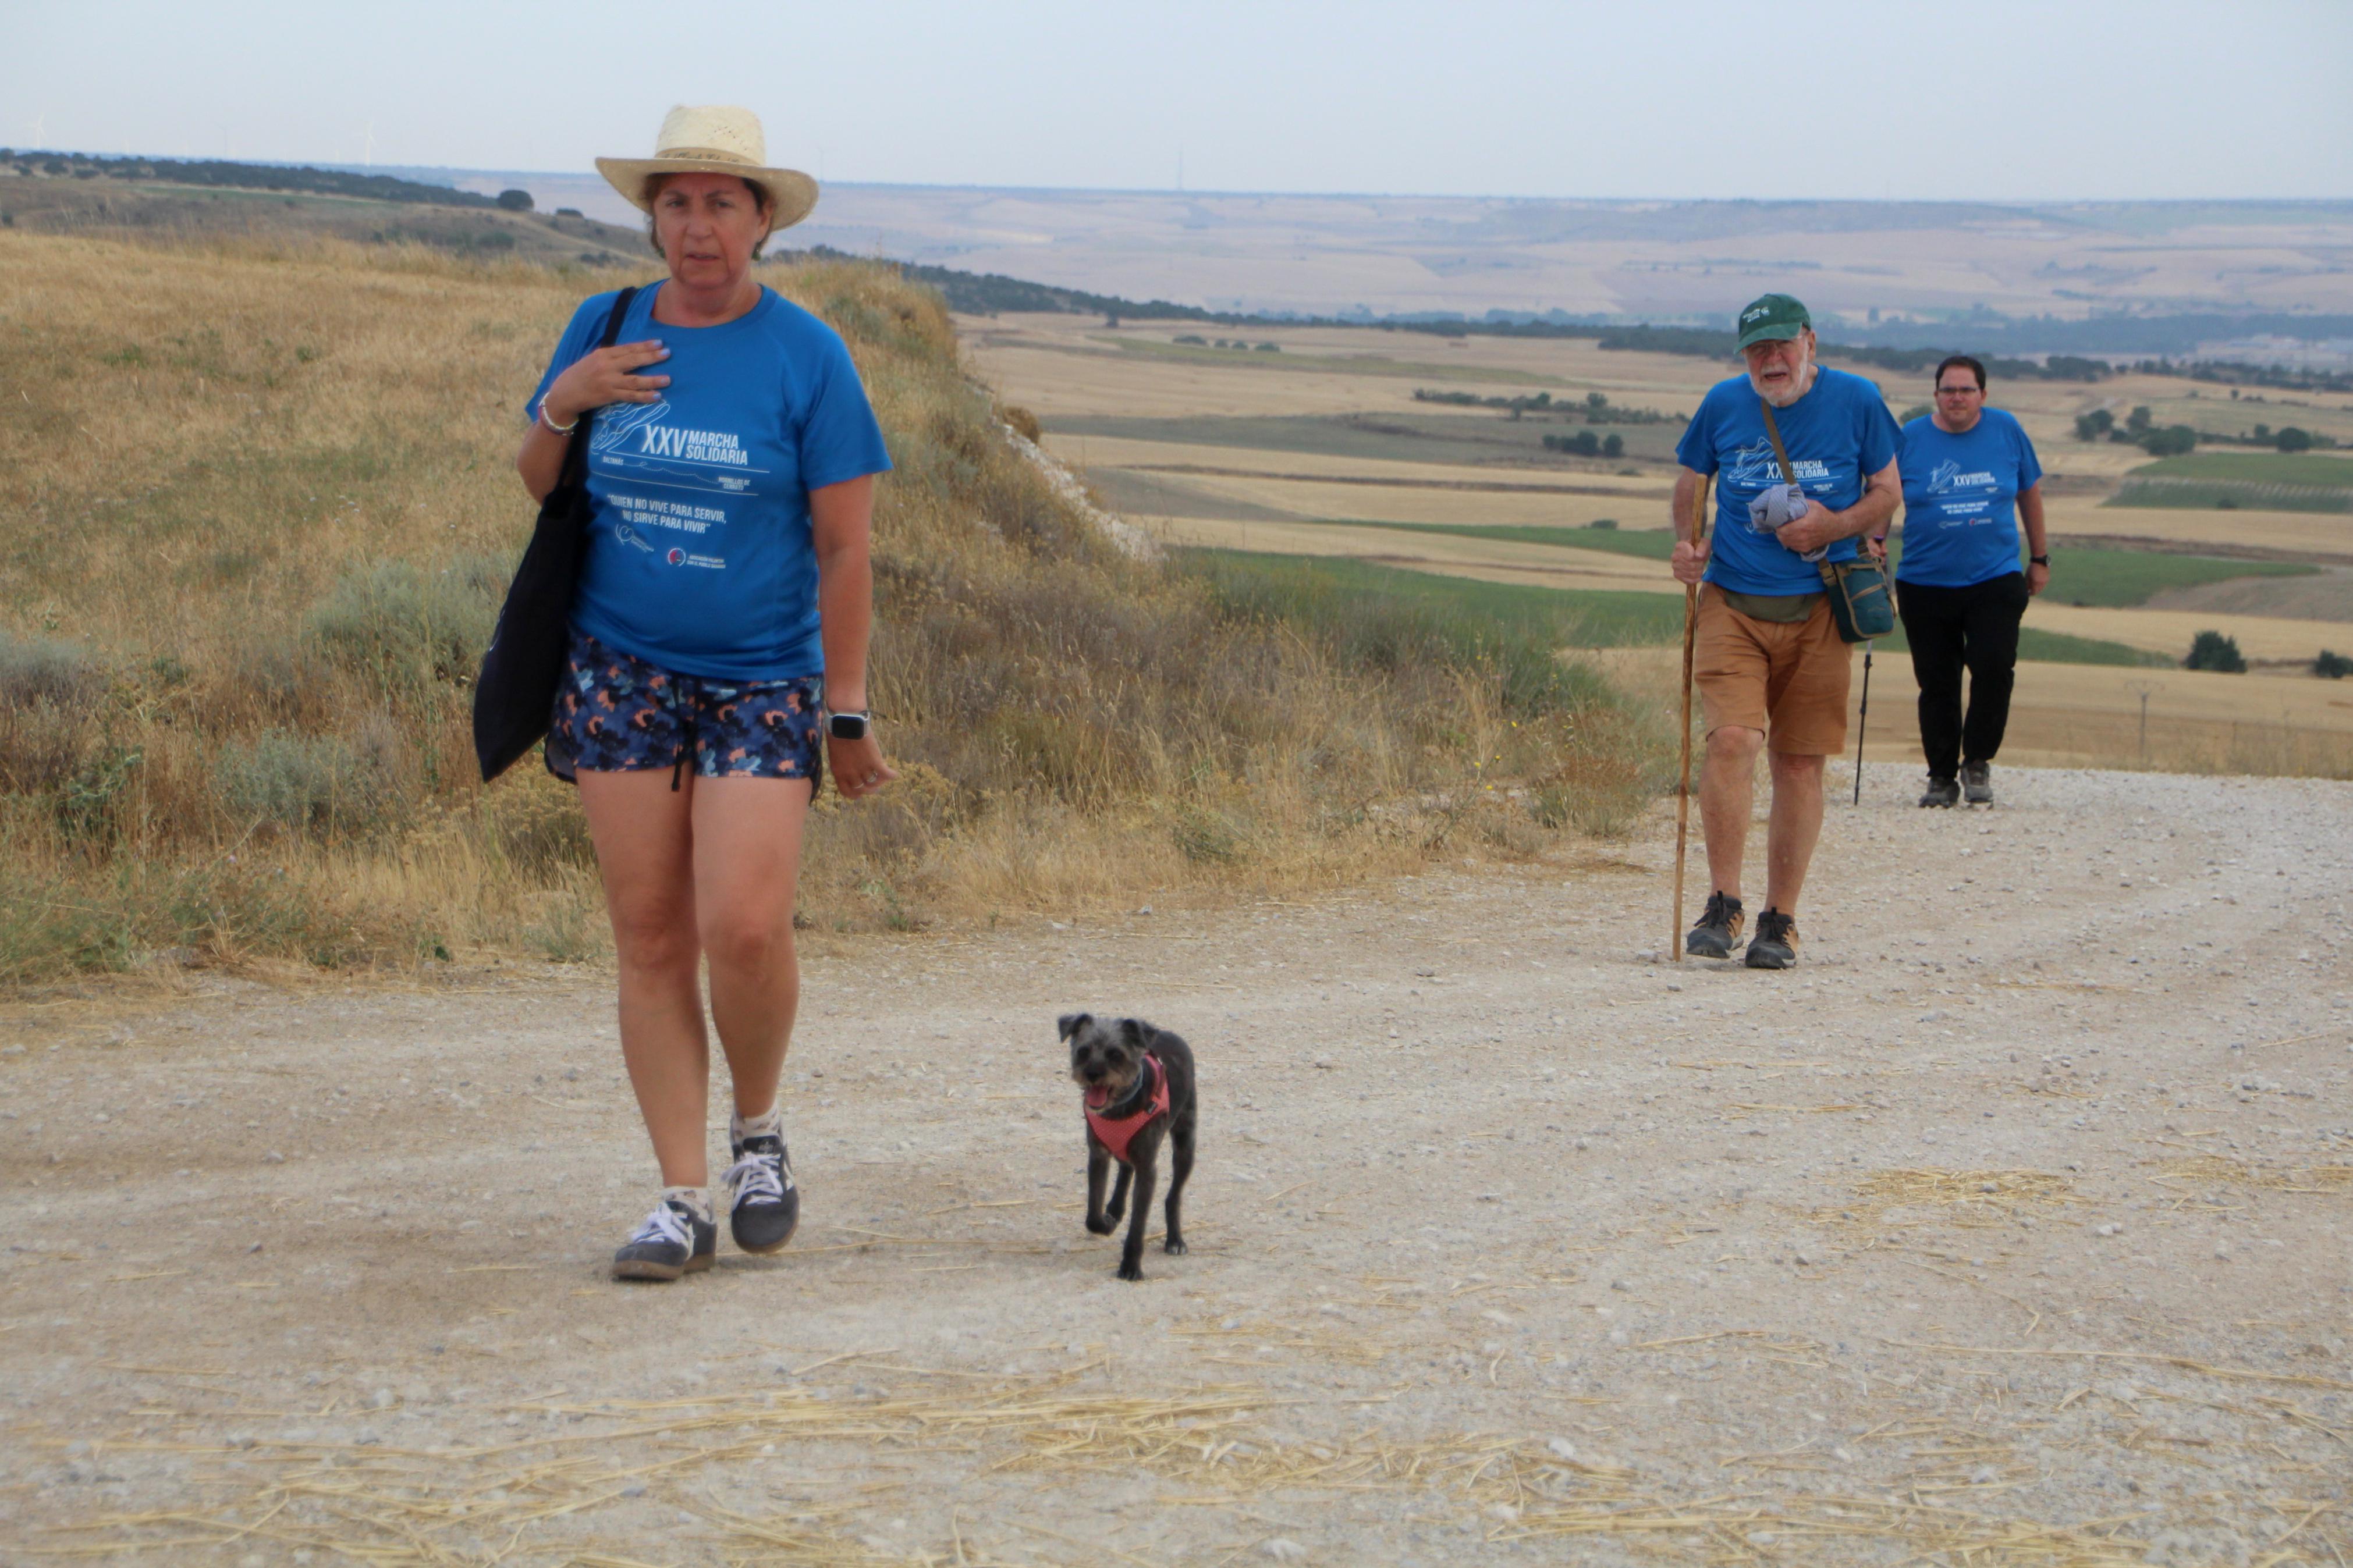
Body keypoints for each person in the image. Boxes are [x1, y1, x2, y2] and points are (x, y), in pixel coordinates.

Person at [516, 105, 897, 1282]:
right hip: (619, 665)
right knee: (648, 936)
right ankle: (680, 1197)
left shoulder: (806, 354)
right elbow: (541, 482)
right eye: (674, 202)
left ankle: (759, 1132)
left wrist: (846, 709)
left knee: (740, 926)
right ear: (651, 217)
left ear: (761, 220)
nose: (695, 227)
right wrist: (564, 398)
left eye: (720, 204)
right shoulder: (606, 324)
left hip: (759, 681)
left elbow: (844, 548)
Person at [1670, 294, 1901, 969]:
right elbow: (1691, 479)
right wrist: (1687, 545)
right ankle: (1722, 904)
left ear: (1809, 342)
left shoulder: (1857, 399)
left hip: (1822, 606)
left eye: (1781, 346)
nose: (1771, 361)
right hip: (1732, 602)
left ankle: (1780, 919)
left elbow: (1887, 492)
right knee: (1732, 740)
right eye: (1756, 350)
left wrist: (1832, 526)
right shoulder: (1722, 402)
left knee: (1798, 762)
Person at [1887, 355, 2048, 808]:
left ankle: (1976, 760)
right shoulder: (1909, 437)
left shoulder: (2006, 430)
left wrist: (2038, 557)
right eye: (1947, 389)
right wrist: (1874, 541)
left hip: (1993, 578)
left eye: (1966, 389)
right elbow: (1883, 493)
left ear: (1983, 394)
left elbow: (2028, 492)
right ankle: (1940, 776)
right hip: (1924, 581)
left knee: (1994, 668)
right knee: (1936, 681)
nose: (1956, 397)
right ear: (1935, 394)